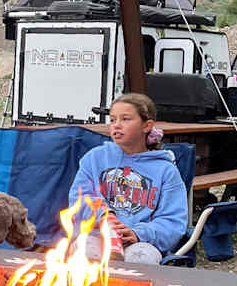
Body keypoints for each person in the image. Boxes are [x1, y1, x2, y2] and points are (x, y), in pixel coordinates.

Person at [68, 92, 186, 264]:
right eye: (113, 119)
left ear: (147, 126)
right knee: (84, 257)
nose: (117, 125)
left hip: (142, 242)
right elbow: (78, 199)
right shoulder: (94, 159)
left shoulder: (165, 170)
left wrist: (138, 234)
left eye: (125, 119)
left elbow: (173, 222)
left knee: (140, 262)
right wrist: (103, 215)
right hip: (96, 233)